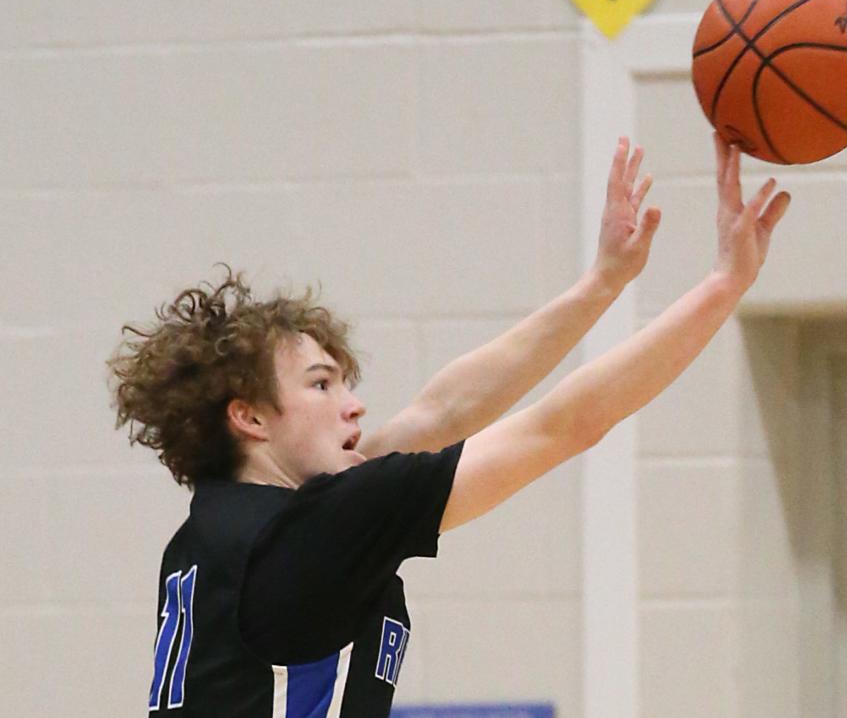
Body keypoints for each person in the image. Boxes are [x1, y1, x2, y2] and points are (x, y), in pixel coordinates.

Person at [108, 133, 790, 717]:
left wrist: (603, 284)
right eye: (321, 384)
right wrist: (723, 285)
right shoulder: (317, 528)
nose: (354, 406)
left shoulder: (224, 530)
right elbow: (567, 424)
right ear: (249, 417)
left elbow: (442, 412)